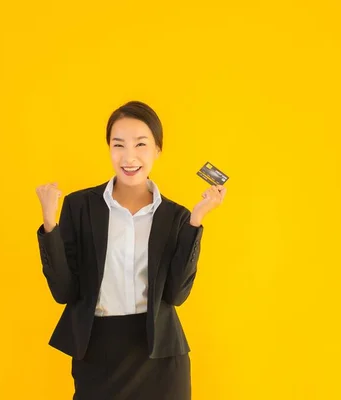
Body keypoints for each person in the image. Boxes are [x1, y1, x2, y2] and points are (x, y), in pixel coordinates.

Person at [35, 101, 226, 400]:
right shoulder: (79, 206)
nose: (129, 157)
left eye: (141, 144)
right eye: (118, 144)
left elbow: (177, 295)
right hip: (97, 353)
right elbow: (64, 292)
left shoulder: (175, 216)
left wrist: (196, 220)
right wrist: (49, 224)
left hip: (159, 357)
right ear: (109, 148)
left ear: (157, 150)